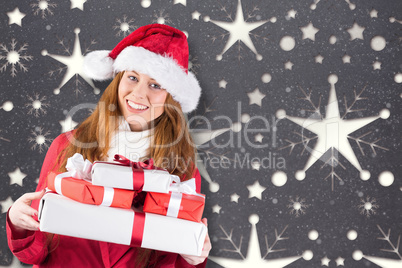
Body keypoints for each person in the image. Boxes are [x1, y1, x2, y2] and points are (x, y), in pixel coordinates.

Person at [6, 24, 211, 267]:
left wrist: (193, 258)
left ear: (172, 98)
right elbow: (36, 251)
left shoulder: (182, 172)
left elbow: (172, 260)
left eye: (155, 85)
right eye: (132, 77)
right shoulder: (68, 146)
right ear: (118, 80)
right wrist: (19, 223)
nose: (138, 94)